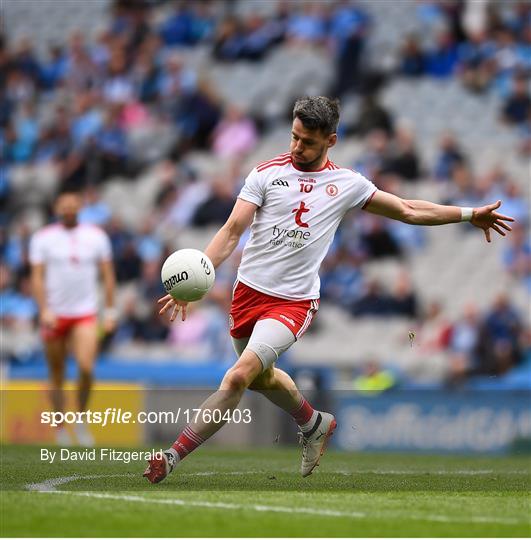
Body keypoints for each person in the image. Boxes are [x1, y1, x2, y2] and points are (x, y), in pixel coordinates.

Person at [144, 96, 514, 483]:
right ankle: (314, 422)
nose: (296, 147)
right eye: (294, 136)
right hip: (247, 294)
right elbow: (232, 230)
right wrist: (198, 276)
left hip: (294, 302)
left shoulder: (347, 184)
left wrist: (470, 214)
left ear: (331, 141)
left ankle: (171, 457)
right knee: (262, 378)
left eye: (307, 141)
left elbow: (407, 209)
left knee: (237, 377)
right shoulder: (265, 174)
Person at [29, 190, 117, 445]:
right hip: (54, 314)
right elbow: (36, 277)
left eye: (72, 204)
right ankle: (59, 427)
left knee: (86, 367)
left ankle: (79, 419)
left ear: (80, 206)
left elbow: (108, 277)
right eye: (63, 205)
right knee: (56, 372)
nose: (68, 208)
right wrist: (43, 308)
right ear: (56, 207)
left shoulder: (96, 236)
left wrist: (110, 311)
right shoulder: (43, 238)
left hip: (84, 314)